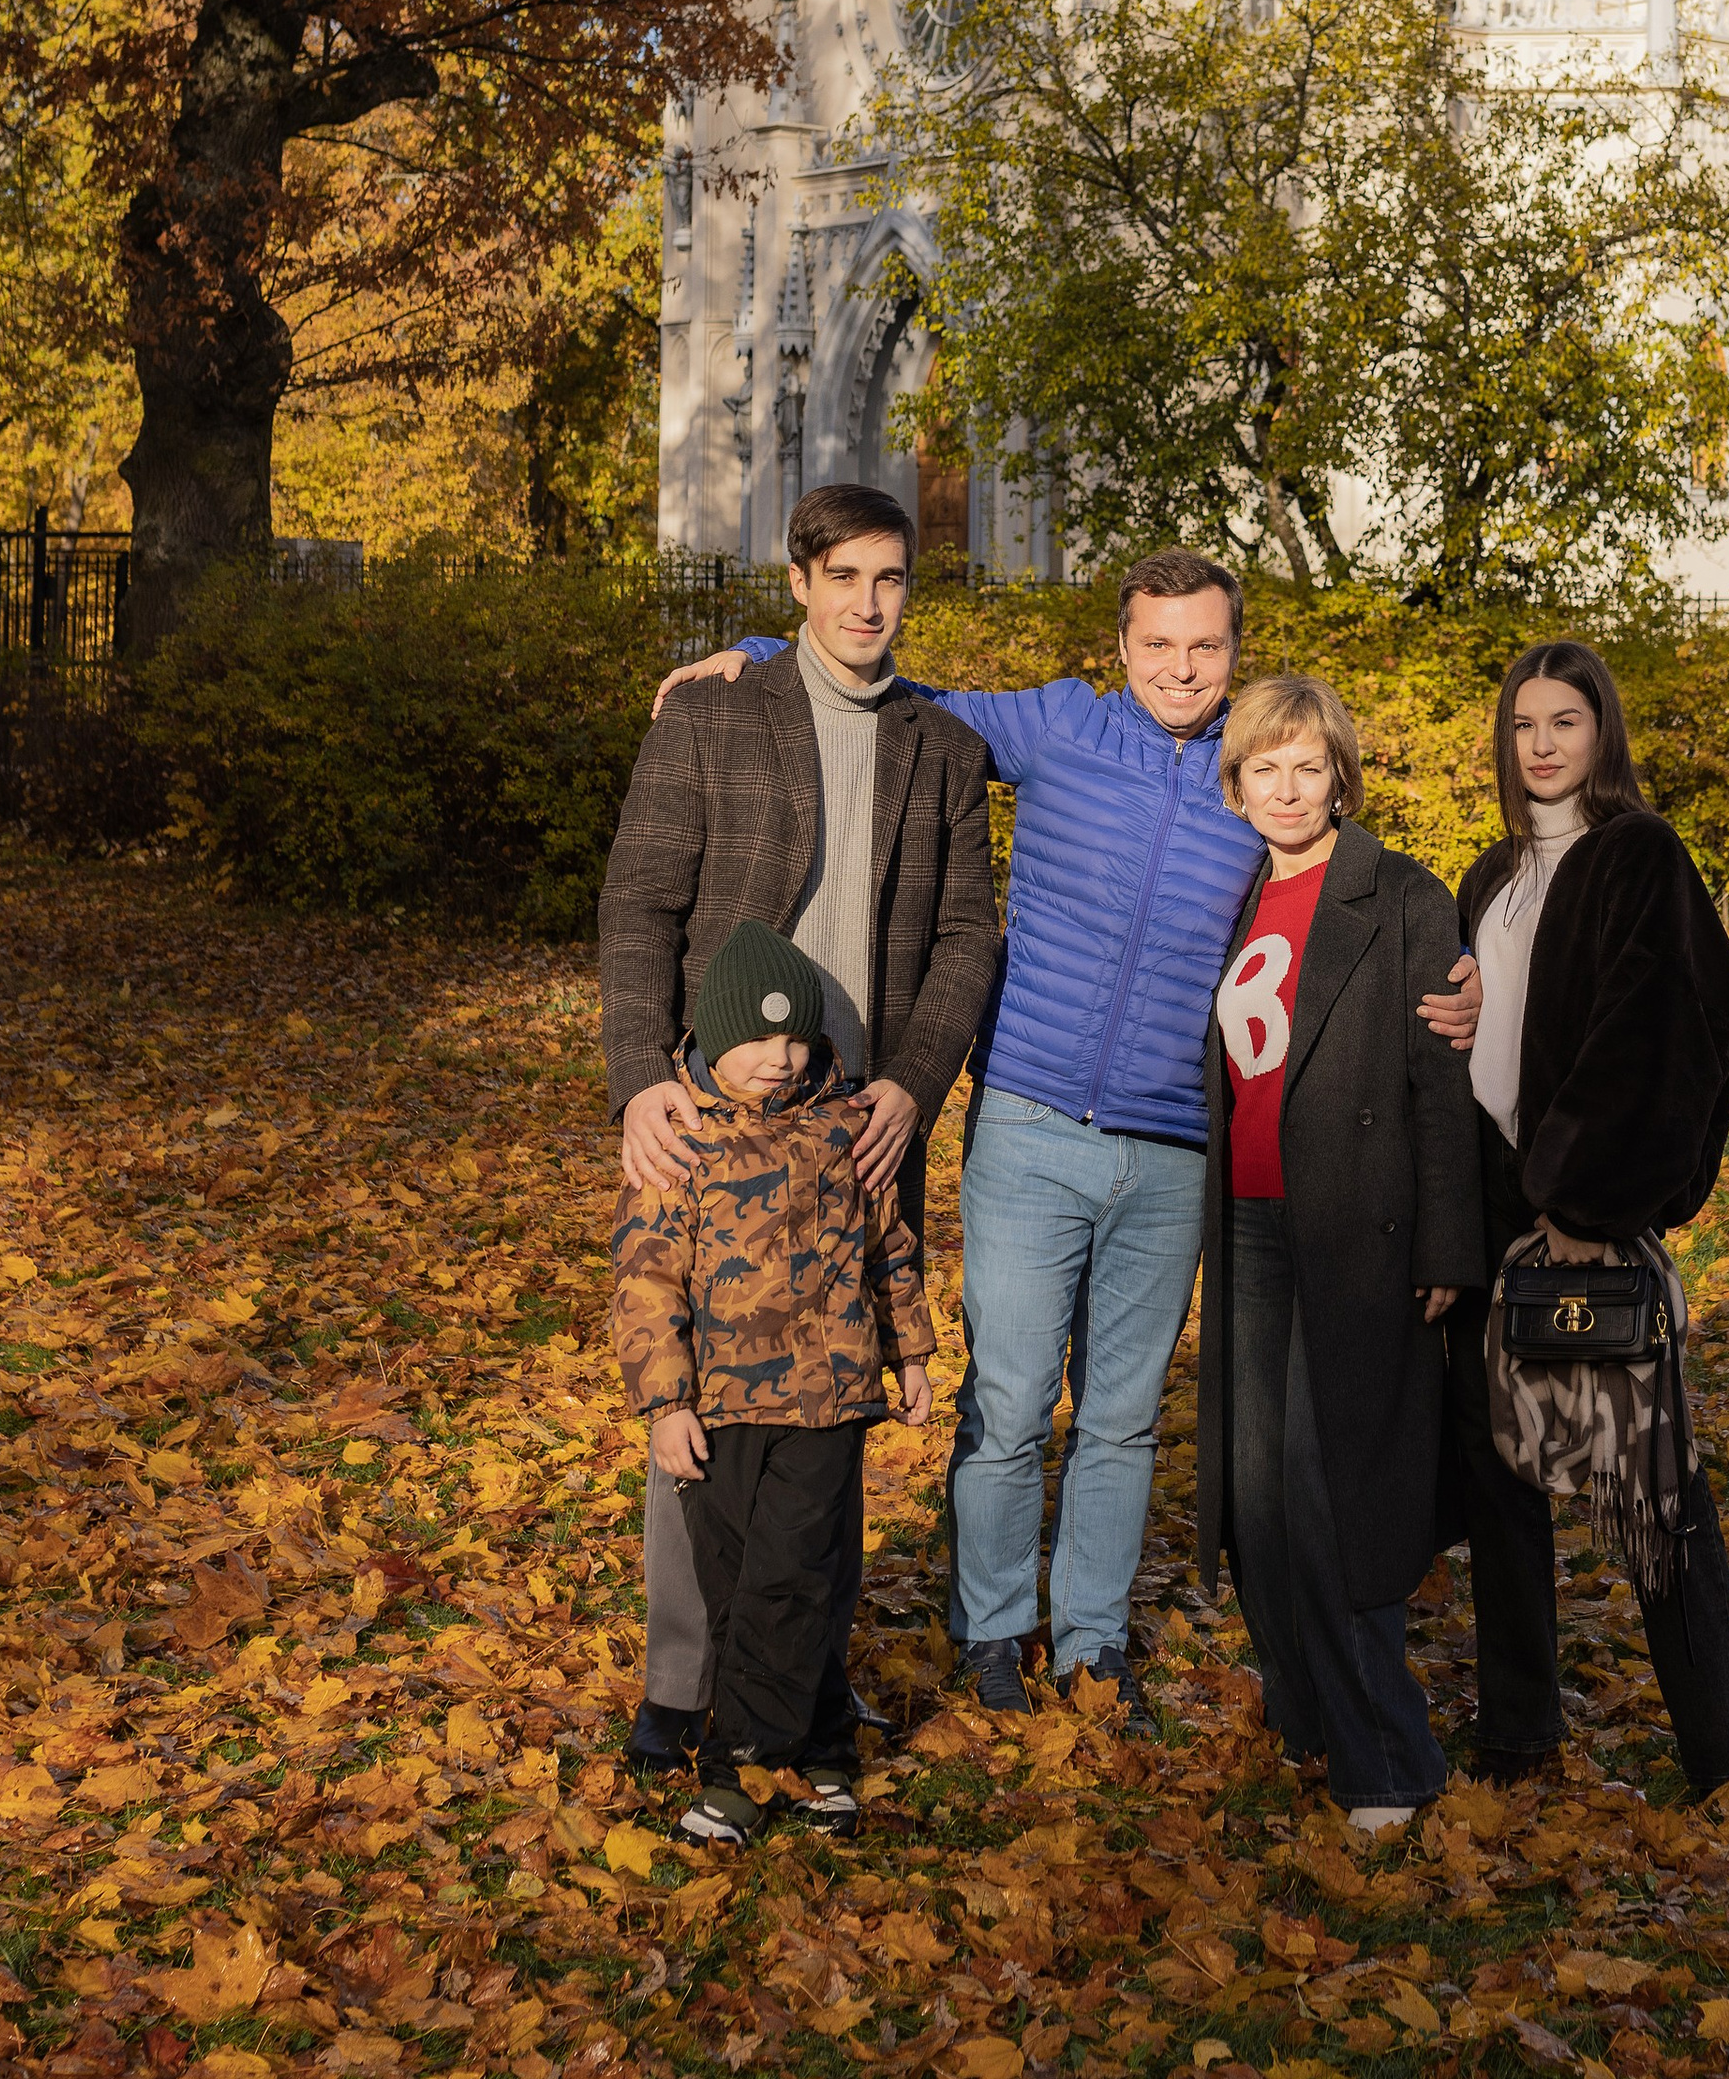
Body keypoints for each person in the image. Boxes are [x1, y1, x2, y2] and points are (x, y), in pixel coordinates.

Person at [653, 550, 1483, 1722]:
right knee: (1005, 1401)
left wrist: (1460, 977)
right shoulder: (1056, 727)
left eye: (1205, 646)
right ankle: (991, 1631)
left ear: (1233, 650)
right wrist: (767, 654)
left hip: (1173, 1148)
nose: (1182, 668)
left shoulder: (1249, 780)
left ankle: (1093, 1638)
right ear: (1122, 645)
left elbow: (1343, 896)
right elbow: (900, 691)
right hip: (1031, 1122)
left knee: (1122, 1417)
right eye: (1159, 645)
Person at [600, 482, 999, 1772]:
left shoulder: (939, 745)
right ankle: (681, 1682)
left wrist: (911, 1086)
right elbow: (639, 908)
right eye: (845, 579)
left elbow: (963, 936)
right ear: (799, 583)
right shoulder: (713, 715)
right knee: (699, 1409)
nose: (868, 605)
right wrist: (637, 1079)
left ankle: (802, 1685)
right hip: (715, 1110)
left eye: (890, 581)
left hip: (856, 1123)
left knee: (828, 1425)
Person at [1444, 640, 1729, 1799]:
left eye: (1565, 720)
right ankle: (1520, 1735)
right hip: (1489, 1211)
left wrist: (1586, 1203)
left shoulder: (1638, 855)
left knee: (1648, 1485)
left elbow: (1671, 1031)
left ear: (1601, 733)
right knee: (1499, 1483)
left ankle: (1724, 1753)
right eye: (1524, 721)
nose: (1541, 742)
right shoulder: (1489, 875)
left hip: (1585, 1215)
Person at [1195, 677, 1483, 1832]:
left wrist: (1448, 1240)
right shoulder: (1229, 897)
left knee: (1331, 1496)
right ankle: (1309, 1715)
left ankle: (1390, 1759)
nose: (1285, 787)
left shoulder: (1399, 893)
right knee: (1254, 1496)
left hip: (1360, 1231)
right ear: (1237, 782)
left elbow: (1439, 1081)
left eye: (1306, 766)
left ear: (1339, 777)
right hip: (1250, 1226)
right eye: (1264, 767)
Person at [609, 920, 937, 1848]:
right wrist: (666, 1406)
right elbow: (643, 1282)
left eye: (797, 1039)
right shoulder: (682, 1141)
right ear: (716, 1036)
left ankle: (741, 1771)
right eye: (759, 1038)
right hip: (718, 1406)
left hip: (828, 1402)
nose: (781, 1059)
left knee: (793, 1575)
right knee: (739, 1584)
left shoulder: (845, 1128)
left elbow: (890, 1251)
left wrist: (909, 1354)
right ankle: (826, 1749)